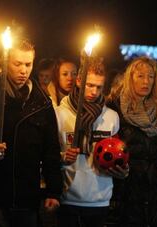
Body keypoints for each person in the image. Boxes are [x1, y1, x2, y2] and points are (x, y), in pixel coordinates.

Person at [0, 37, 62, 227]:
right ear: (6, 62)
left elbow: (51, 151)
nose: (24, 70)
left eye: (28, 64)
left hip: (27, 196)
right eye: (17, 64)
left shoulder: (42, 103)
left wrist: (53, 191)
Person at [55, 57, 128, 227]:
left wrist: (123, 169)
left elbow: (119, 154)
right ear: (79, 81)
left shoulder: (111, 116)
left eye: (99, 87)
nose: (94, 92)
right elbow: (47, 154)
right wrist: (62, 157)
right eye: (89, 85)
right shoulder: (59, 114)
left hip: (100, 200)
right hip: (67, 199)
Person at [106, 56, 157, 226]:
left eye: (151, 76)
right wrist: (118, 168)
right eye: (141, 76)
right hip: (124, 189)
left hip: (153, 190)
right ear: (130, 78)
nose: (146, 81)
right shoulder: (114, 107)